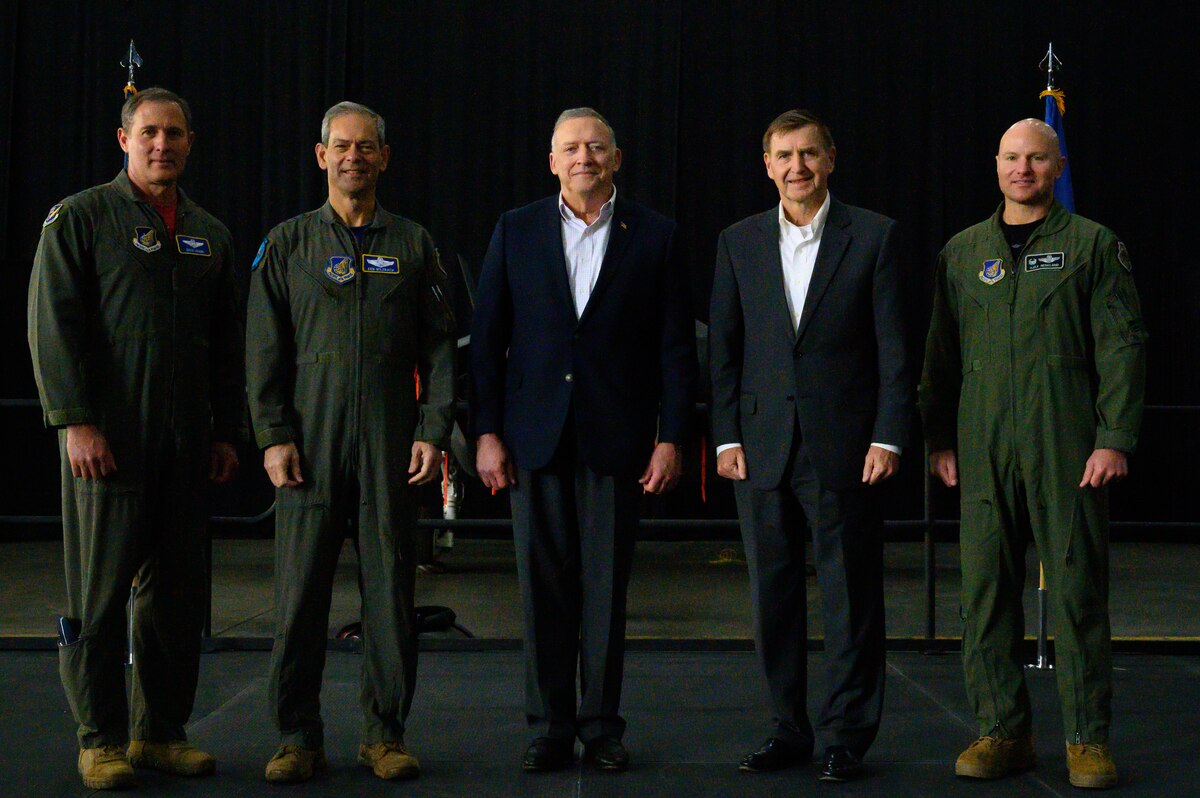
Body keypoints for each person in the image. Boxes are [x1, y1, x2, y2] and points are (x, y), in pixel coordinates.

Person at [28, 87, 244, 790]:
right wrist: (75, 421)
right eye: (149, 132)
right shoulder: (81, 218)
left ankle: (159, 733)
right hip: (109, 442)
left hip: (185, 444)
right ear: (123, 140)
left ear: (189, 142)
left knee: (176, 598)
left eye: (174, 133)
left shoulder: (210, 234)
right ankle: (99, 739)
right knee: (99, 594)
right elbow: (51, 325)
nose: (162, 145)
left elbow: (224, 347)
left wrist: (223, 429)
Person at [920, 118, 1146, 790]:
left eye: (1037, 159)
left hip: (1066, 445)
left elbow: (1122, 346)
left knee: (1076, 593)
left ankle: (1086, 739)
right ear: (996, 166)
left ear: (1058, 166)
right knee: (985, 596)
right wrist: (937, 438)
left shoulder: (1093, 246)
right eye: (1013, 158)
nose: (1024, 170)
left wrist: (1113, 438)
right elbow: (941, 353)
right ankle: (1002, 730)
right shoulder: (964, 252)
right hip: (983, 447)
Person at [470, 107, 695, 773]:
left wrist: (672, 437)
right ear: (551, 161)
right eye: (570, 147)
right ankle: (547, 726)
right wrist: (483, 432)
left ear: (617, 159)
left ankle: (600, 728)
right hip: (530, 439)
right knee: (542, 591)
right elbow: (486, 345)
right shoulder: (515, 230)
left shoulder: (655, 235)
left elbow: (676, 350)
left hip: (617, 439)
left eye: (596, 147)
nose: (584, 157)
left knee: (604, 590)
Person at [246, 101, 455, 784]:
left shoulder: (415, 244)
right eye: (342, 146)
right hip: (310, 443)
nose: (354, 158)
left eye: (367, 147)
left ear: (384, 158)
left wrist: (433, 428)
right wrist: (273, 435)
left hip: (390, 442)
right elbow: (263, 352)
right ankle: (296, 736)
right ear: (321, 155)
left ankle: (384, 733)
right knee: (300, 594)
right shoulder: (287, 245)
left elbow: (441, 348)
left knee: (390, 593)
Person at [708, 109, 911, 782]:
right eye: (784, 155)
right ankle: (788, 730)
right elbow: (726, 352)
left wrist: (888, 434)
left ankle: (846, 737)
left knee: (851, 596)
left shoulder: (875, 236)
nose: (797, 167)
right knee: (773, 598)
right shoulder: (737, 242)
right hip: (760, 447)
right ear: (767, 165)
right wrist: (726, 435)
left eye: (809, 154)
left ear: (830, 160)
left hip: (849, 447)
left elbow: (893, 349)